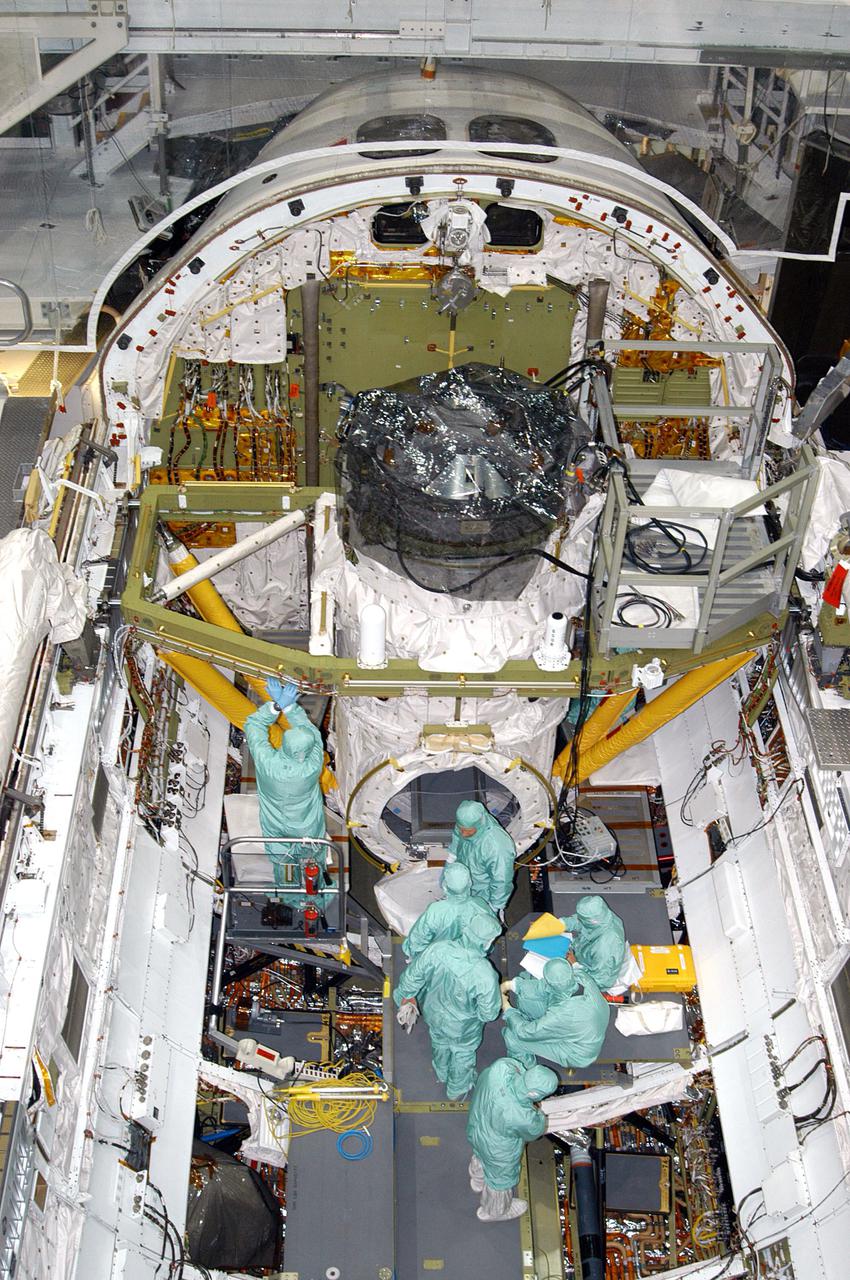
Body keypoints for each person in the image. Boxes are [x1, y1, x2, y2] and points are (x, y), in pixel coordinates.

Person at [394, 913, 502, 1099]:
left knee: (438, 1041)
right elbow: (489, 1014)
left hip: (433, 1013)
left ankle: (441, 1072)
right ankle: (456, 1090)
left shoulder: (438, 949)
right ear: (487, 941)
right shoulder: (485, 974)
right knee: (463, 1053)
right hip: (463, 1026)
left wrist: (404, 999)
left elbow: (412, 977)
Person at [243, 679, 326, 906]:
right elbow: (312, 733)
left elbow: (253, 726)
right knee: (312, 861)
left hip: (276, 826)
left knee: (285, 862)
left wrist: (277, 706)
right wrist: (291, 708)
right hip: (307, 826)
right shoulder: (312, 766)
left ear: (285, 746)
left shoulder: (268, 763)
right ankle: (316, 896)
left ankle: (291, 896)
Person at [467, 1058, 558, 1222]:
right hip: (498, 1149)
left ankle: (477, 1179)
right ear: (535, 1094)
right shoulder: (522, 1116)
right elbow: (534, 1132)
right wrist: (537, 1112)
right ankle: (495, 1211)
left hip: (477, 1126)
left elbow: (512, 1064)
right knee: (500, 1181)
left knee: (480, 1155)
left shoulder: (501, 1069)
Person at [501, 957, 610, 1068]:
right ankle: (532, 1024)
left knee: (512, 1036)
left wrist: (507, 1009)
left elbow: (524, 1033)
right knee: (525, 1001)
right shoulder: (580, 976)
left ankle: (527, 1073)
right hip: (586, 1027)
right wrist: (512, 985)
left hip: (578, 1053)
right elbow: (546, 987)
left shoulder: (562, 1014)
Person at [402, 863, 501, 959]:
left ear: (445, 885)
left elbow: (417, 942)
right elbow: (488, 937)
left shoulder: (435, 911)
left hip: (439, 958)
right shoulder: (480, 905)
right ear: (470, 883)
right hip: (470, 959)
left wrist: (414, 955)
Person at [448, 800, 516, 915]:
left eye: (468, 831)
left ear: (479, 824)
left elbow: (501, 880)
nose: (463, 834)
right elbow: (457, 835)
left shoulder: (497, 846)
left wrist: (495, 905)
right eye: (461, 829)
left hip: (483, 891)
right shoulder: (465, 822)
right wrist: (451, 857)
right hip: (466, 881)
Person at [560, 895, 627, 992]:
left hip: (591, 974)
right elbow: (581, 921)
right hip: (583, 952)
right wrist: (559, 924)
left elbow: (600, 982)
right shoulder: (603, 916)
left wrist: (575, 965)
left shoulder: (606, 948)